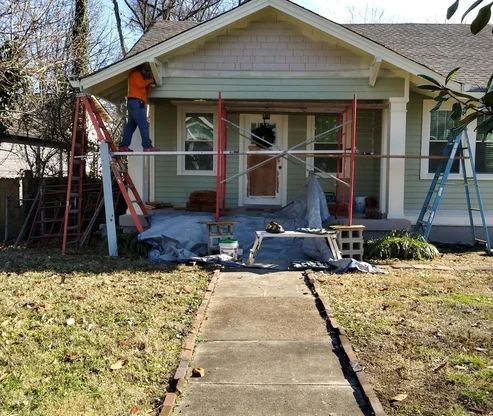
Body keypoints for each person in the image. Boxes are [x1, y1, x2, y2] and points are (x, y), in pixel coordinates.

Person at [118, 64, 159, 152]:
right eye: (145, 71)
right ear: (141, 69)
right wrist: (150, 80)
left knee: (131, 126)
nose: (145, 73)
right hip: (137, 102)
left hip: (134, 102)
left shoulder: (140, 77)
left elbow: (145, 92)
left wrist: (148, 84)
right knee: (143, 124)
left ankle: (124, 146)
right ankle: (147, 146)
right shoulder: (135, 73)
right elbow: (140, 84)